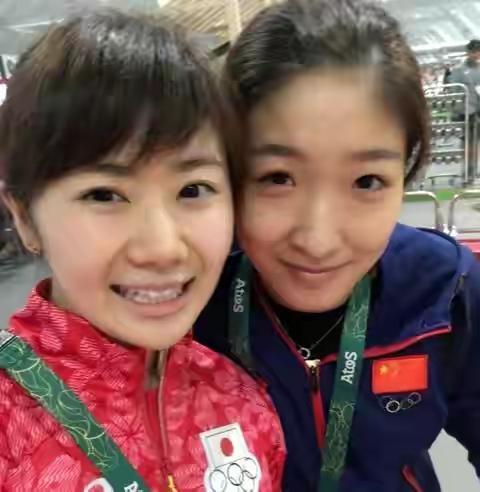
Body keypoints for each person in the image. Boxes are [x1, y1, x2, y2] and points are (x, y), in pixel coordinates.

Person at [195, 0, 480, 490]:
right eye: (277, 178)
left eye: (367, 181)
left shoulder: (446, 290)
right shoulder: (193, 302)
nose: (318, 240)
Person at [0, 10, 285, 492]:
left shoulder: (242, 401)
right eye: (104, 195)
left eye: (193, 189)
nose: (162, 248)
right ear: (25, 217)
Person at [447, 39, 480, 182]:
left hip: (478, 110)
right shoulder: (459, 70)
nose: (477, 54)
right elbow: (454, 92)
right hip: (466, 112)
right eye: (474, 52)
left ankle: (474, 169)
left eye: (479, 52)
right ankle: (468, 170)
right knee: (468, 143)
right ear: (468, 52)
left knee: (476, 143)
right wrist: (458, 112)